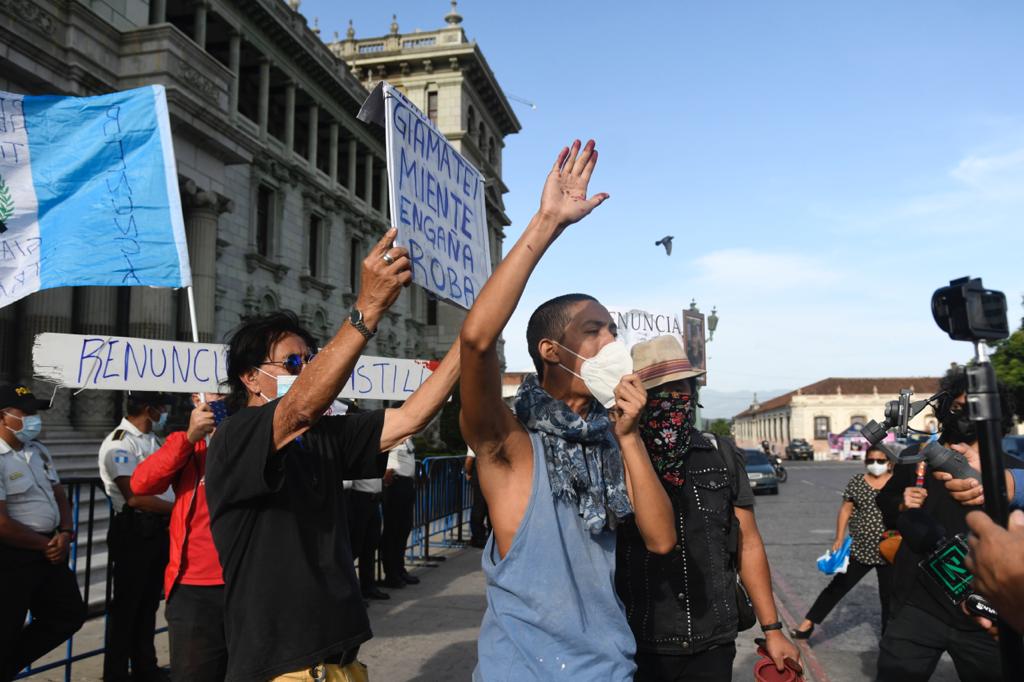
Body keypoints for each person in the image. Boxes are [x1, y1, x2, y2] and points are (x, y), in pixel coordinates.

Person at [460, 139, 677, 680]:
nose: (612, 343)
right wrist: (546, 224)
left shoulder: (610, 439)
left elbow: (661, 539)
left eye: (613, 330)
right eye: (593, 331)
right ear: (551, 352)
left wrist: (629, 437)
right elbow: (477, 342)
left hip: (608, 667)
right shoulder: (510, 446)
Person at [205, 229, 462, 682]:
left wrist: (473, 340)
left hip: (342, 660)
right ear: (250, 377)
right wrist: (369, 309)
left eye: (312, 360)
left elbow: (409, 419)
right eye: (293, 365)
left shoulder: (323, 434)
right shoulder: (238, 435)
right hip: (283, 669)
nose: (307, 373)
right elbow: (301, 406)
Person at [617, 336, 800, 680]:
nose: (672, 399)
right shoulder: (617, 455)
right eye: (659, 389)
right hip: (637, 642)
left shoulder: (719, 454)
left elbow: (748, 542)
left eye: (680, 387)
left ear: (693, 392)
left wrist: (773, 629)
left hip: (713, 640)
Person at [875, 365, 1020, 681]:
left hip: (985, 613)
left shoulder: (1012, 472)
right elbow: (883, 503)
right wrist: (901, 503)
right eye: (956, 408)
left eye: (972, 408)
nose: (963, 416)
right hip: (919, 603)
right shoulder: (919, 457)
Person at [129, 393, 225, 682]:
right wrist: (188, 438)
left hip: (248, 582)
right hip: (193, 587)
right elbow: (141, 483)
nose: (222, 399)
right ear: (197, 398)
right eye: (215, 393)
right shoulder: (184, 443)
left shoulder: (256, 435)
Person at [0, 383, 86, 681]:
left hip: (49, 547)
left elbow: (59, 494)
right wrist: (44, 544)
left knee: (69, 613)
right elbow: (1, 523)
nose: (33, 418)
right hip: (14, 554)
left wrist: (64, 531)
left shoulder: (38, 450)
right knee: (5, 627)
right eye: (25, 413)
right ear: (2, 417)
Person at [98, 391, 174, 682]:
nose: (164, 412)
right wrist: (178, 508)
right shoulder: (120, 443)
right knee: (127, 607)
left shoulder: (152, 440)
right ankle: (115, 673)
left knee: (148, 604)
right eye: (161, 407)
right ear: (147, 409)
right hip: (134, 530)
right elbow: (135, 498)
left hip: (157, 530)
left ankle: (146, 666)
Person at [791, 444, 893, 639]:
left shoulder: (896, 483)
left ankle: (888, 639)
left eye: (880, 461)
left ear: (889, 463)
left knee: (889, 597)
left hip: (888, 549)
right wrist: (839, 537)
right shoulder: (857, 481)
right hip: (860, 548)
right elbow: (845, 509)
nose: (875, 464)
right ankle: (807, 624)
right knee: (837, 587)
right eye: (871, 461)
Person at [381, 438, 419, 588]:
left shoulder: (408, 438)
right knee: (392, 531)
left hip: (407, 484)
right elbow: (387, 465)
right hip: (395, 485)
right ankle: (391, 574)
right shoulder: (393, 437)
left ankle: (399, 568)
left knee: (404, 529)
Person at [346, 473, 388, 600]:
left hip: (374, 498)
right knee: (355, 547)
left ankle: (368, 587)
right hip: (359, 497)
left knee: (370, 545)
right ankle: (350, 591)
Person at [464, 447, 489, 548]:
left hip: (480, 476)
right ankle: (492, 537)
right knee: (491, 507)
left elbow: (470, 459)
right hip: (494, 476)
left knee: (478, 508)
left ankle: (478, 538)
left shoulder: (475, 437)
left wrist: (468, 472)